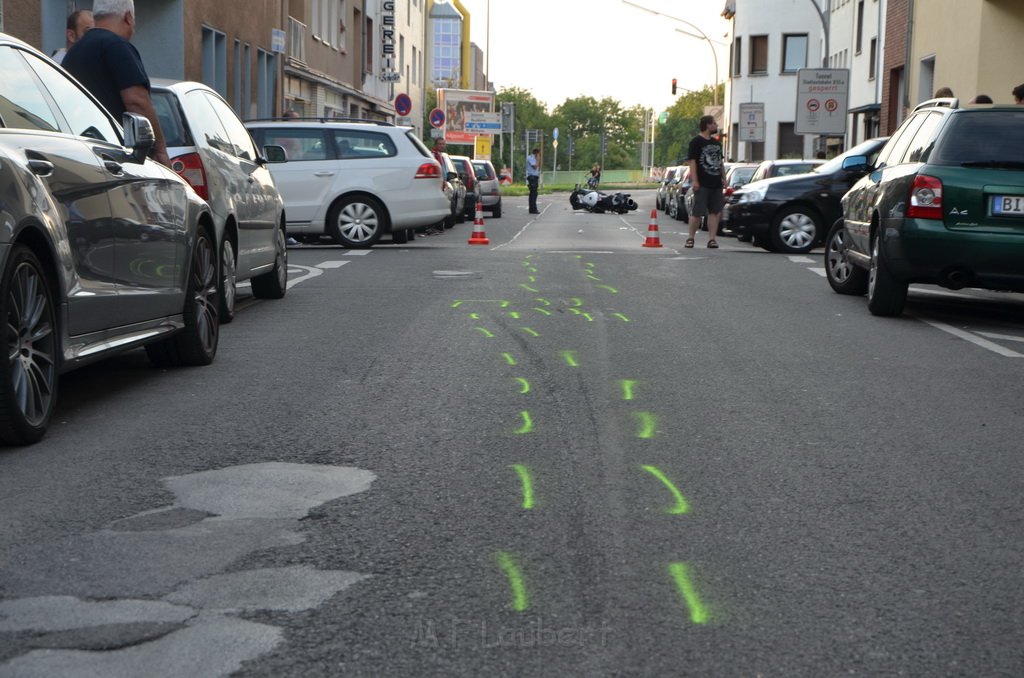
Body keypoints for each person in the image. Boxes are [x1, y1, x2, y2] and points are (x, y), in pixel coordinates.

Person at [62, 0, 169, 166]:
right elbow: (137, 102)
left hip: (78, 154)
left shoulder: (73, 53)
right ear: (128, 17)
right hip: (115, 159)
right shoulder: (117, 46)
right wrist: (160, 150)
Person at [685, 115, 726, 249]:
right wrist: (695, 180)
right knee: (697, 212)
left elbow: (720, 163)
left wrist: (724, 178)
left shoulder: (716, 143)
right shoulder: (696, 142)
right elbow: (693, 162)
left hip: (716, 183)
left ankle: (712, 239)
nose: (716, 126)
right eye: (714, 123)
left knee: (715, 212)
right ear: (707, 125)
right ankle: (690, 238)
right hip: (702, 183)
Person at [526, 148, 540, 214]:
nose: (539, 156)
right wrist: (537, 160)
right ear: (536, 153)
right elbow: (535, 167)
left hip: (535, 177)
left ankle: (533, 209)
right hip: (532, 177)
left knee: (534, 194)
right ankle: (533, 209)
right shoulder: (531, 158)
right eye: (539, 154)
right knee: (533, 194)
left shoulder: (533, 158)